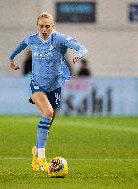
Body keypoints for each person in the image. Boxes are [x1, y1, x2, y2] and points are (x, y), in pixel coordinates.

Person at [8, 12, 87, 174]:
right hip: (37, 84)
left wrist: (78, 54)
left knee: (50, 119)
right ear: (38, 26)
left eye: (47, 26)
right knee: (48, 112)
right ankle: (41, 158)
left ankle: (37, 149)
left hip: (55, 86)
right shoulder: (32, 39)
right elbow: (21, 45)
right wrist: (11, 59)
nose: (44, 29)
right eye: (41, 26)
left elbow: (82, 47)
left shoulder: (59, 39)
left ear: (53, 26)